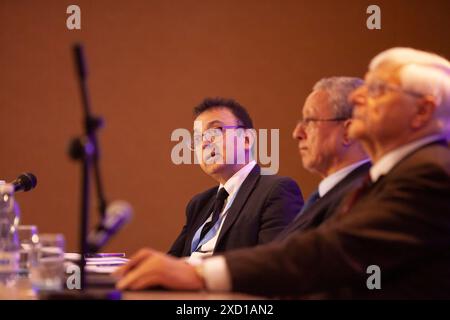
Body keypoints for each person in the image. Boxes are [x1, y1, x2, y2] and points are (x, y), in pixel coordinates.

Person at [115, 48, 450, 299]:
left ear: (422, 110)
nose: (359, 97)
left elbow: (330, 253)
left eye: (377, 90)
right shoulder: (391, 177)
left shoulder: (430, 173)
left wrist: (202, 274)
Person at [168, 97, 303, 259]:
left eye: (216, 130)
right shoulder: (199, 204)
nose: (204, 143)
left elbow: (275, 266)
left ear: (246, 139)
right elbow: (170, 263)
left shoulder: (276, 191)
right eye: (197, 138)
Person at [277, 76, 369, 239]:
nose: (297, 133)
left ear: (348, 132)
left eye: (310, 121)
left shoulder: (362, 198)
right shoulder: (327, 195)